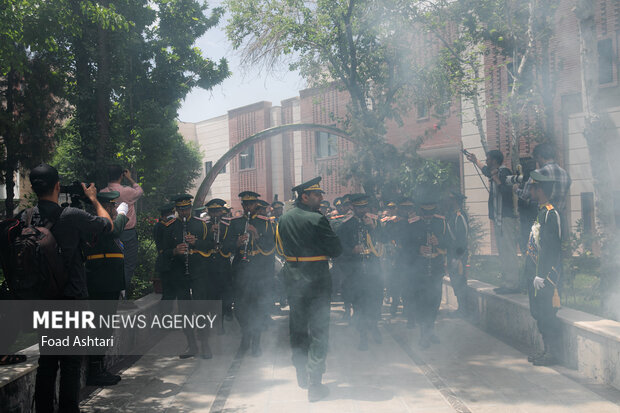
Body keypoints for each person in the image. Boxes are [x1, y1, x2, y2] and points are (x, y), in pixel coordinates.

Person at [20, 164, 113, 413]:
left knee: (47, 363)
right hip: (72, 300)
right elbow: (108, 225)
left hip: (43, 301)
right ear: (57, 186)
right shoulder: (71, 215)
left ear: (32, 187)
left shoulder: (25, 217)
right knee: (71, 365)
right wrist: (93, 199)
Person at [275, 177, 342, 402]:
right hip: (317, 280)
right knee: (320, 330)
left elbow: (281, 247)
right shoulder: (317, 219)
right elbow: (336, 249)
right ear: (304, 196)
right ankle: (315, 382)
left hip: (293, 278)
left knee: (298, 328)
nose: (321, 198)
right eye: (317, 195)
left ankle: (301, 373)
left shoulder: (283, 219)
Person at [161, 194, 214, 359]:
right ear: (176, 210)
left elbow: (211, 246)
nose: (184, 212)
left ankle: (205, 344)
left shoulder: (201, 224)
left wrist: (196, 242)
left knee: (201, 309)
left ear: (190, 208)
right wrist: (175, 251)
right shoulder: (169, 226)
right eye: (181, 209)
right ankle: (191, 344)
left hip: (198, 272)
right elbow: (162, 252)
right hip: (179, 273)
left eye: (186, 208)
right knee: (184, 311)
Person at [84, 191, 128, 386]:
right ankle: (95, 369)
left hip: (109, 283)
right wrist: (122, 215)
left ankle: (99, 366)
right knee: (100, 328)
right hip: (101, 283)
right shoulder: (98, 222)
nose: (113, 209)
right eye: (110, 206)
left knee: (105, 328)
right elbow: (115, 230)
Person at [223, 191, 275, 357]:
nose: (248, 207)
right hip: (240, 268)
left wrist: (257, 236)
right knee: (239, 307)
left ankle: (256, 343)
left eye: (251, 204)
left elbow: (271, 247)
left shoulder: (264, 223)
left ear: (256, 205)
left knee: (257, 306)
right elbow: (225, 247)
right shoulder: (235, 222)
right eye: (245, 205)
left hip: (258, 268)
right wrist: (236, 243)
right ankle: (246, 334)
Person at [466, 150, 520, 294]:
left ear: (495, 161)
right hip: (499, 218)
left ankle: (513, 284)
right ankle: (507, 282)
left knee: (508, 250)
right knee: (503, 251)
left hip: (506, 218)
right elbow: (486, 171)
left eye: (488, 159)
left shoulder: (504, 172)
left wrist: (496, 179)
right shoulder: (496, 172)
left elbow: (508, 191)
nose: (487, 162)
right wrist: (475, 161)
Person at [336, 193, 384, 351]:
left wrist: (372, 227)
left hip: (373, 271)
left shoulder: (374, 222)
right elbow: (339, 250)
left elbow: (385, 241)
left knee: (375, 301)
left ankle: (375, 327)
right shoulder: (345, 226)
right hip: (356, 273)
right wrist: (352, 250)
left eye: (365, 207)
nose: (363, 210)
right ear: (352, 207)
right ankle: (363, 335)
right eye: (359, 207)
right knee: (359, 305)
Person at [525, 171, 563, 366]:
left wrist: (541, 274)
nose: (530, 190)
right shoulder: (541, 212)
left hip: (546, 277)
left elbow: (551, 248)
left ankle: (553, 352)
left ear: (540, 190)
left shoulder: (550, 213)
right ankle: (546, 349)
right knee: (539, 314)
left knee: (547, 315)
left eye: (532, 187)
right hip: (537, 276)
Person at [409, 187, 447, 348]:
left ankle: (430, 328)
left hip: (436, 269)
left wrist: (439, 243)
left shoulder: (441, 222)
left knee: (434, 301)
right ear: (420, 211)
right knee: (421, 303)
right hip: (419, 271)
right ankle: (423, 333)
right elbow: (405, 246)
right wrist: (418, 249)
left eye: (430, 213)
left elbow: (451, 244)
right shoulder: (413, 224)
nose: (428, 216)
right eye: (425, 213)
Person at [101, 165, 144, 299]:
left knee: (111, 265)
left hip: (109, 232)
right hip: (127, 233)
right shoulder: (127, 191)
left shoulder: (102, 192)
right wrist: (130, 178)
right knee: (128, 265)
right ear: (121, 175)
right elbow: (140, 191)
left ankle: (113, 294)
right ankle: (121, 297)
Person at [204, 199, 234, 327]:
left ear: (222, 211)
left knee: (225, 292)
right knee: (212, 294)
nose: (215, 214)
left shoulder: (228, 225)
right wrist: (211, 233)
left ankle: (226, 312)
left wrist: (220, 238)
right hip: (209, 264)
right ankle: (216, 321)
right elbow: (201, 242)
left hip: (223, 264)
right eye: (213, 211)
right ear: (209, 212)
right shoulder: (204, 225)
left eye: (217, 211)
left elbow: (231, 244)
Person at [446, 191, 469, 315]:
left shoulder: (459, 216)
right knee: (455, 280)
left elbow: (462, 238)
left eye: (451, 199)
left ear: (455, 201)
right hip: (453, 254)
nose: (448, 202)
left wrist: (459, 257)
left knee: (459, 281)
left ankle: (463, 309)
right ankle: (461, 307)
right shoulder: (453, 215)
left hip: (458, 255)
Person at [153, 203, 176, 306]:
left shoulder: (161, 225)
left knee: (171, 293)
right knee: (168, 293)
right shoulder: (161, 226)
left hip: (168, 262)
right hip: (166, 263)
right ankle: (164, 316)